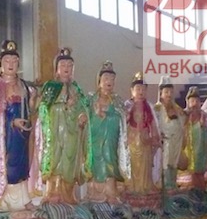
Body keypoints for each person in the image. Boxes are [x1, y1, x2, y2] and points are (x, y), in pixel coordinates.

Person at [0, 40, 36, 210]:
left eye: (14, 61)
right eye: (7, 61)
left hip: (22, 134)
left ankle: (23, 197)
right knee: (7, 165)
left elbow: (30, 109)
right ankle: (1, 198)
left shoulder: (24, 86)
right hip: (4, 135)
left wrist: (32, 107)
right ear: (0, 64)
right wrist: (11, 122)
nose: (11, 64)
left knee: (22, 164)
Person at [38, 48, 90, 204]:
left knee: (70, 161)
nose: (67, 68)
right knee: (56, 160)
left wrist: (82, 116)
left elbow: (83, 108)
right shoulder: (51, 87)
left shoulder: (77, 89)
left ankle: (68, 194)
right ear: (57, 69)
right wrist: (64, 106)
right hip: (55, 132)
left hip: (72, 133)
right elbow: (43, 109)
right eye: (63, 65)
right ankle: (52, 192)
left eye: (70, 65)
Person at [86, 61, 129, 203]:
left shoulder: (117, 101)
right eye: (105, 78)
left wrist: (107, 115)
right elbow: (85, 119)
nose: (109, 82)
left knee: (110, 160)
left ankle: (110, 190)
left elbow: (122, 119)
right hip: (95, 139)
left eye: (112, 79)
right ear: (99, 81)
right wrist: (96, 117)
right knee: (94, 162)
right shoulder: (91, 99)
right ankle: (94, 191)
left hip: (110, 140)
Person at [124, 72, 161, 193]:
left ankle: (146, 186)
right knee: (133, 164)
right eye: (138, 89)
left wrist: (155, 136)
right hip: (132, 137)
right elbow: (123, 123)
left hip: (145, 138)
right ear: (132, 91)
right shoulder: (127, 105)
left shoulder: (149, 107)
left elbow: (153, 123)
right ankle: (133, 186)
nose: (141, 92)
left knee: (146, 163)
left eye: (143, 89)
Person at [153, 76, 185, 189]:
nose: (169, 94)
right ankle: (165, 185)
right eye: (166, 92)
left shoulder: (176, 108)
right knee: (165, 162)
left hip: (177, 140)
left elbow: (182, 121)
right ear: (161, 93)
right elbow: (155, 124)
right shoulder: (157, 108)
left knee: (174, 162)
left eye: (171, 92)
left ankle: (172, 183)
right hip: (165, 140)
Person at [182, 86, 207, 190]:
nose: (194, 104)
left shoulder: (204, 116)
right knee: (189, 176)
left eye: (197, 101)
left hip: (201, 150)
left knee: (200, 174)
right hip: (188, 150)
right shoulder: (184, 116)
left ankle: (201, 191)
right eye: (192, 101)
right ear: (188, 102)